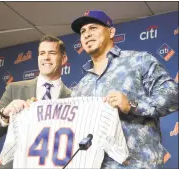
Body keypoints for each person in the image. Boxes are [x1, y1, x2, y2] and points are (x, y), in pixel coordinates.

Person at [71, 10, 178, 169]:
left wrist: (132, 105)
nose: (86, 34)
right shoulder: (80, 86)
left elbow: (173, 95)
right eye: (82, 31)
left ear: (111, 31)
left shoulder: (138, 61)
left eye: (93, 28)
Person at [0, 35, 71, 169]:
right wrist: (6, 115)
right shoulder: (14, 89)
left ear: (64, 59)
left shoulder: (73, 98)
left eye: (52, 53)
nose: (46, 57)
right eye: (42, 53)